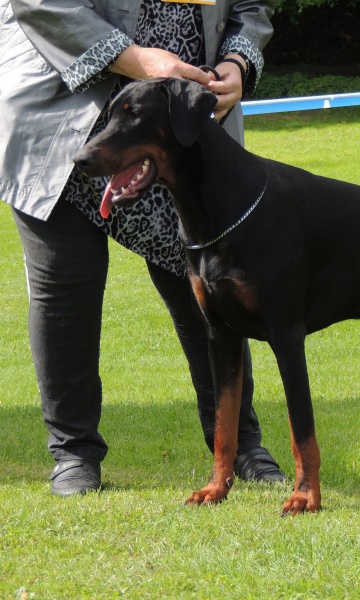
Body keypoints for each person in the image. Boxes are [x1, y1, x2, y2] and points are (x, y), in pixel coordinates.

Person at [0, 0, 285, 496]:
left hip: (180, 133)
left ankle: (240, 445)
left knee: (210, 290)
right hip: (58, 118)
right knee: (65, 290)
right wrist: (135, 59)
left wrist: (237, 63)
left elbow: (250, 6)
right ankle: (74, 453)